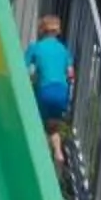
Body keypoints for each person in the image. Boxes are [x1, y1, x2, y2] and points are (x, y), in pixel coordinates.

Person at [25, 13, 75, 167]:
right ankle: (58, 152)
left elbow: (24, 70)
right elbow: (70, 74)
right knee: (53, 127)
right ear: (57, 31)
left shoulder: (35, 47)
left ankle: (41, 154)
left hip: (45, 90)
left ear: (42, 30)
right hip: (61, 91)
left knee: (38, 121)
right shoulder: (64, 50)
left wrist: (33, 78)